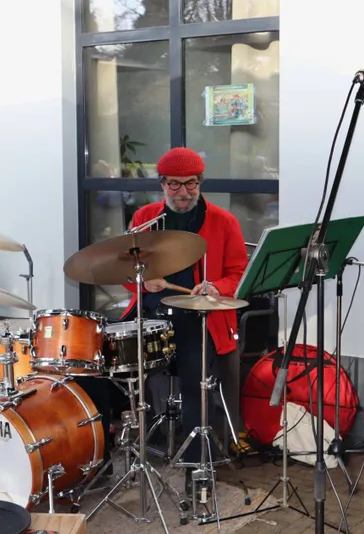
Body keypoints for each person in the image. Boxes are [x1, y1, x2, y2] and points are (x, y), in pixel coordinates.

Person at [122, 147, 248, 493]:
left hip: (199, 317)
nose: (183, 192)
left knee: (197, 384)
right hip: (151, 311)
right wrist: (141, 279)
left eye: (190, 183)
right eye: (174, 185)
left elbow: (239, 273)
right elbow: (122, 267)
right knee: (111, 370)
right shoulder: (145, 217)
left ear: (200, 181)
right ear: (162, 184)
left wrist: (215, 286)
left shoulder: (224, 221)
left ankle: (197, 467)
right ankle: (126, 452)